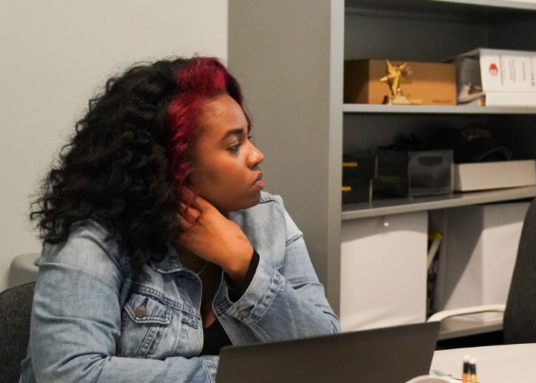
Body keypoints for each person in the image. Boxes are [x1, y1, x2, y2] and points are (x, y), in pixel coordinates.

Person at [22, 57, 340, 382]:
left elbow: (327, 353)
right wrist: (238, 374)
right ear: (175, 166)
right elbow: (71, 375)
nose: (257, 155)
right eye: (234, 145)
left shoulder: (268, 217)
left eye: (249, 138)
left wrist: (246, 266)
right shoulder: (92, 237)